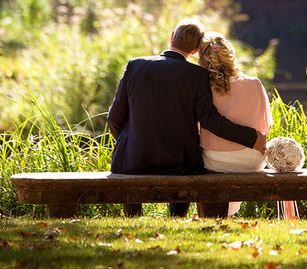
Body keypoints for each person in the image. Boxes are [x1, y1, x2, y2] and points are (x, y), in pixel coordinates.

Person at [107, 18, 267, 217]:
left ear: (172, 36)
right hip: (178, 164)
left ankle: (133, 218)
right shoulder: (197, 76)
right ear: (194, 51)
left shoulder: (135, 66)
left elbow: (113, 118)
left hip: (133, 160)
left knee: (130, 172)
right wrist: (252, 138)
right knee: (188, 168)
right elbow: (211, 121)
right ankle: (177, 218)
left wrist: (131, 144)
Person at [197, 32, 281, 217]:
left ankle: (222, 215)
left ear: (203, 61)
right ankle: (228, 214)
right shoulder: (254, 84)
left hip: (216, 160)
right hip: (252, 161)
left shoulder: (204, 90)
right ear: (231, 57)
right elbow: (264, 128)